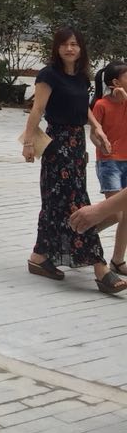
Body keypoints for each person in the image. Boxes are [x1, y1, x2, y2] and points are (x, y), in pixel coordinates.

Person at [21, 27, 124, 293]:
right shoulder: (48, 75)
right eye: (65, 44)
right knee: (75, 203)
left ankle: (39, 257)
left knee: (55, 203)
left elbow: (84, 109)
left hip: (77, 145)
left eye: (75, 44)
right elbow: (38, 109)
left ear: (81, 49)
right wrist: (29, 142)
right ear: (57, 48)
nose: (70, 49)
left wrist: (97, 128)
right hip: (58, 144)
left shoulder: (81, 77)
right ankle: (101, 268)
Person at [91, 60, 127, 276]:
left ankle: (118, 261)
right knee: (115, 214)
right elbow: (93, 134)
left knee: (126, 215)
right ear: (116, 82)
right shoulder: (101, 105)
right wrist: (101, 144)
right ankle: (80, 237)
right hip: (109, 163)